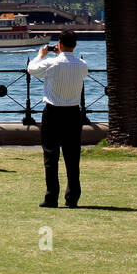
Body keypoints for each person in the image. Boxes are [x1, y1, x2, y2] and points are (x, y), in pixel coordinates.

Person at [27, 29, 89, 207]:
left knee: (51, 156)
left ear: (59, 44)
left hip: (53, 112)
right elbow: (81, 72)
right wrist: (61, 53)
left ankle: (51, 197)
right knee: (72, 157)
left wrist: (41, 55)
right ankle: (72, 198)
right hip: (73, 113)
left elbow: (31, 69)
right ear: (75, 45)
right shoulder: (82, 65)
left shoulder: (52, 64)